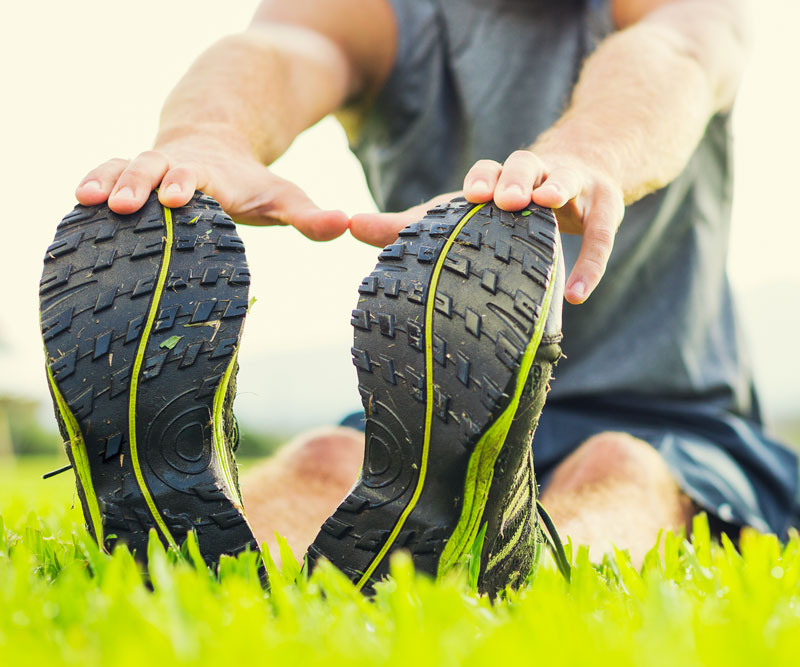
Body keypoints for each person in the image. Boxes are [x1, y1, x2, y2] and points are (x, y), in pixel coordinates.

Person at [62, 0, 795, 579]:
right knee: (323, 457)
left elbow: (681, 53)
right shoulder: (386, 13)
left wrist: (586, 154)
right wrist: (205, 136)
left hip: (668, 414)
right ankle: (203, 566)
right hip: (432, 422)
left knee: (622, 467)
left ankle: (527, 568)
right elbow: (278, 50)